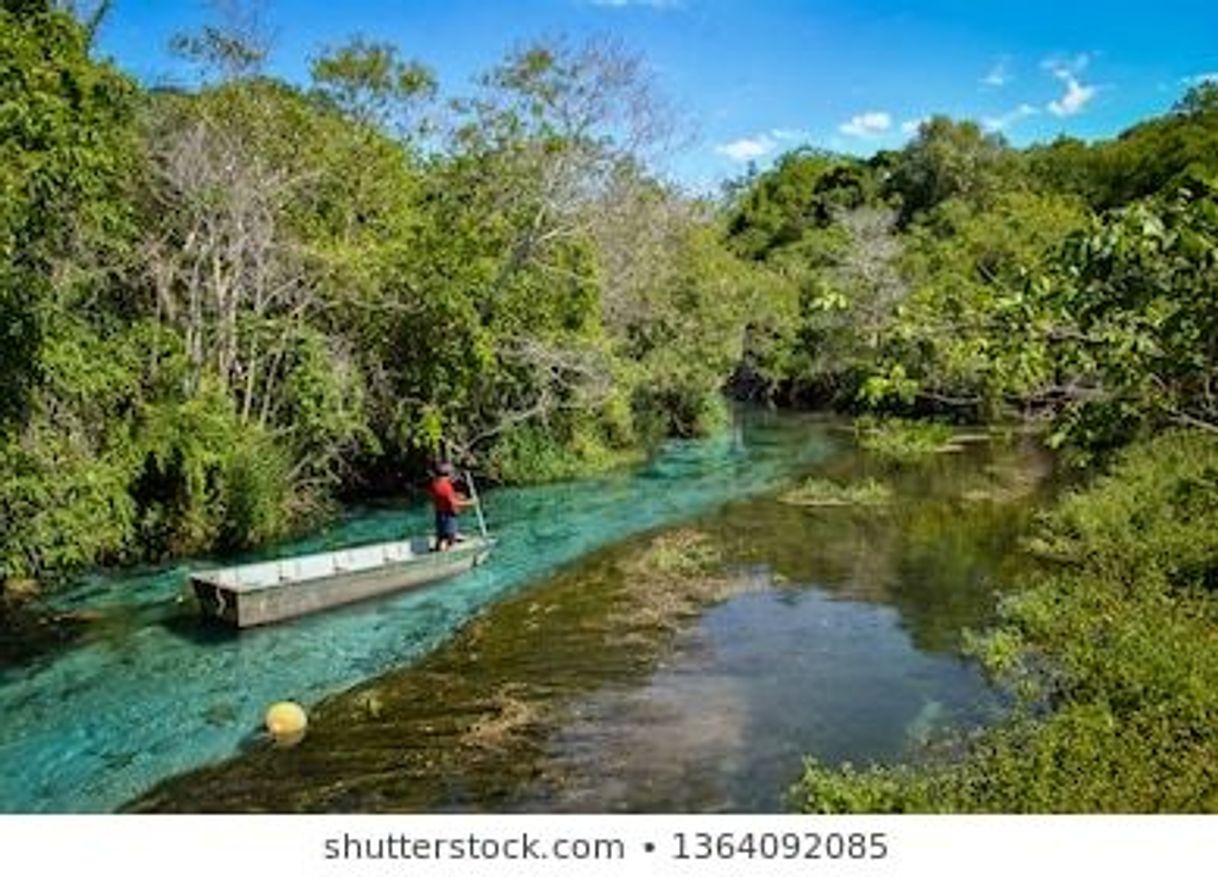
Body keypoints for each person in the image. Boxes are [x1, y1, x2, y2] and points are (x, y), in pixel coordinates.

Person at [426, 461, 476, 551]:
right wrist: (471, 502)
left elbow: (442, 497)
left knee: (441, 536)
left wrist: (456, 495)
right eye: (451, 474)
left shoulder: (435, 484)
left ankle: (438, 551)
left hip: (439, 514)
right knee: (450, 537)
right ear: (447, 474)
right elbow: (453, 503)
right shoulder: (446, 486)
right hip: (449, 515)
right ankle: (447, 554)